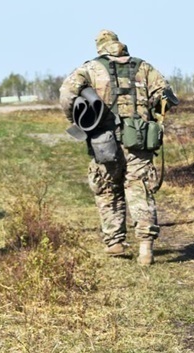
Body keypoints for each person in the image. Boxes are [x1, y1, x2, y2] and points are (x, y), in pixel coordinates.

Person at [60, 29, 177, 266]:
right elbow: (165, 95)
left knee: (107, 188)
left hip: (104, 138)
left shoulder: (90, 68)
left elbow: (66, 93)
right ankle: (145, 248)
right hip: (139, 140)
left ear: (100, 47)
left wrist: (76, 119)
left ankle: (115, 242)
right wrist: (152, 115)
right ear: (120, 45)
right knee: (140, 189)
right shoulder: (143, 67)